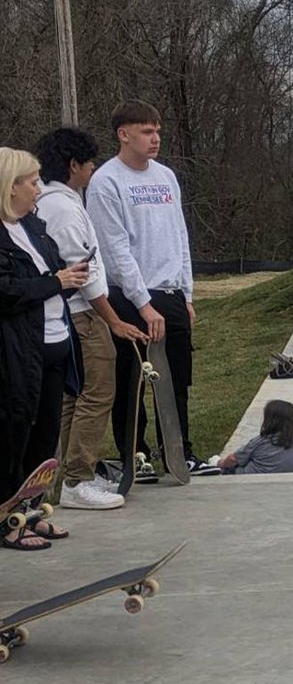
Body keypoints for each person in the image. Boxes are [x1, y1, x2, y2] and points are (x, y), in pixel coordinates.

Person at [86, 100, 202, 470]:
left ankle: (178, 451)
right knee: (132, 382)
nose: (155, 139)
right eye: (146, 132)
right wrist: (142, 303)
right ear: (124, 135)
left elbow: (179, 235)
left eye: (158, 132)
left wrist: (186, 293)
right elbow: (115, 249)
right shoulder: (106, 181)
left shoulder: (166, 176)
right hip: (129, 297)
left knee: (176, 382)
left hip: (170, 293)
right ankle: (135, 453)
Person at [35, 127, 147, 510]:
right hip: (82, 316)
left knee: (74, 395)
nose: (93, 169)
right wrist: (113, 320)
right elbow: (85, 274)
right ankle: (77, 479)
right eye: (89, 163)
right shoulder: (63, 208)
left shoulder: (51, 201)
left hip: (70, 316)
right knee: (98, 392)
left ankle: (65, 473)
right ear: (73, 165)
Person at [0, 147, 89, 550]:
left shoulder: (33, 227)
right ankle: (6, 520)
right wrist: (56, 282)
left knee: (45, 436)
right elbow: (7, 291)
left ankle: (31, 511)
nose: (39, 189)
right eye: (32, 182)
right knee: (15, 433)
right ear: (10, 186)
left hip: (56, 343)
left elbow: (54, 268)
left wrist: (71, 273)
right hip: (19, 352)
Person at [214, 400, 293, 475]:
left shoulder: (260, 441)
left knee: (216, 461)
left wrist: (220, 463)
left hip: (250, 478)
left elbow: (233, 459)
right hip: (285, 483)